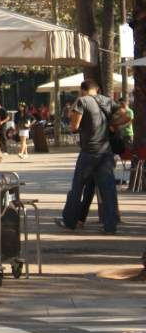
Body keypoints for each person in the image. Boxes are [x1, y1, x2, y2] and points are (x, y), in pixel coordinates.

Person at [58, 80, 129, 234]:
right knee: (108, 190)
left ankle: (69, 221)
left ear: (82, 90)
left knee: (77, 187)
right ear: (96, 89)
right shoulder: (107, 100)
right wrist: (111, 124)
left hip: (89, 151)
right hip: (106, 151)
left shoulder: (82, 101)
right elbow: (127, 116)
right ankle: (110, 226)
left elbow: (74, 127)